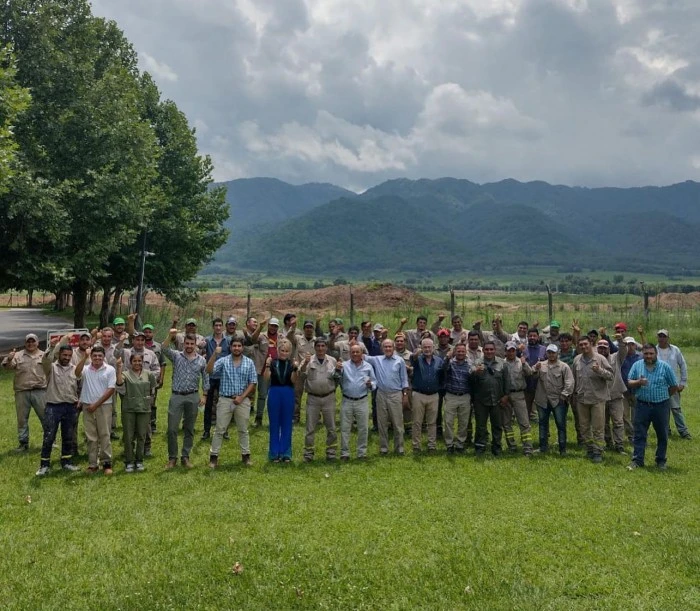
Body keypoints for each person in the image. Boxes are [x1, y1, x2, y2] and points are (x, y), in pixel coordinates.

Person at [206, 338, 258, 467]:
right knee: (219, 429)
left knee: (243, 429)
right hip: (225, 399)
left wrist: (242, 397)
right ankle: (214, 457)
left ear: (242, 347)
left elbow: (253, 382)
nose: (236, 348)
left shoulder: (249, 362)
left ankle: (246, 456)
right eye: (234, 346)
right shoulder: (223, 361)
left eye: (239, 346)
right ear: (230, 347)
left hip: (242, 400)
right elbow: (209, 370)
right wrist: (214, 354)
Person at [626, 344, 678, 471]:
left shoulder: (665, 367)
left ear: (656, 354)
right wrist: (638, 382)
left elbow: (673, 386)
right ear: (642, 354)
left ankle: (660, 460)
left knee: (662, 434)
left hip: (661, 406)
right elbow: (629, 382)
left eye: (651, 353)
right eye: (646, 354)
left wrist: (664, 396)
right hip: (642, 405)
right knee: (639, 434)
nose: (648, 356)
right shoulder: (637, 365)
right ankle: (637, 460)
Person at [162, 330, 207, 469]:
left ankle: (185, 456)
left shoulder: (201, 360)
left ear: (195, 345)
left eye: (191, 344)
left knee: (189, 428)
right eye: (186, 343)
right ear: (183, 344)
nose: (189, 346)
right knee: (172, 429)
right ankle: (172, 458)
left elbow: (206, 378)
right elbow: (163, 348)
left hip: (193, 396)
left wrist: (204, 395)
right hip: (177, 396)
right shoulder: (176, 356)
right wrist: (170, 335)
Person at [36, 336, 80, 475]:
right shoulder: (51, 368)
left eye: (69, 355)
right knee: (49, 436)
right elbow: (45, 360)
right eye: (64, 355)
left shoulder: (74, 369)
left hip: (70, 407)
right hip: (53, 407)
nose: (66, 357)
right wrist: (51, 347)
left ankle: (66, 462)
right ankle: (44, 465)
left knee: (68, 436)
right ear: (59, 355)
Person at [2, 333, 47, 451]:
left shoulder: (44, 355)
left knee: (46, 417)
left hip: (40, 391)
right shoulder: (17, 355)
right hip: (22, 392)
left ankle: (49, 441)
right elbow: (7, 367)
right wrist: (9, 358)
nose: (31, 344)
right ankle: (23, 443)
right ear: (25, 343)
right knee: (22, 419)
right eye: (28, 342)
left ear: (37, 343)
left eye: (33, 341)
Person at [75, 346, 116, 475]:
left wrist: (96, 405)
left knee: (104, 435)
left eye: (100, 356)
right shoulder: (86, 369)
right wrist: (84, 357)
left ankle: (106, 463)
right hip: (87, 406)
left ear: (104, 357)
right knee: (91, 436)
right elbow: (76, 373)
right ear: (91, 357)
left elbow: (110, 390)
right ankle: (93, 464)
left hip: (104, 406)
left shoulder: (110, 370)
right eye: (95, 356)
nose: (97, 358)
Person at [365, 339, 409, 456]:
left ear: (393, 348)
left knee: (398, 423)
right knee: (382, 422)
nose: (388, 349)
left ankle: (399, 448)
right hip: (381, 394)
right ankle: (384, 448)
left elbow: (404, 379)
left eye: (390, 346)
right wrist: (353, 344)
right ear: (382, 348)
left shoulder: (400, 361)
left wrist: (405, 395)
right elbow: (362, 355)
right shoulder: (377, 360)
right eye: (385, 347)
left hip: (395, 394)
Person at [572, 337, 613, 463]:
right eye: (581, 345)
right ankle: (589, 448)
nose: (583, 347)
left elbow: (611, 376)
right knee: (584, 427)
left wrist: (599, 370)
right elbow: (574, 378)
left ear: (591, 344)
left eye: (586, 344)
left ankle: (598, 451)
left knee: (598, 427)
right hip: (582, 398)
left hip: (597, 399)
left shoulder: (600, 359)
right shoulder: (577, 360)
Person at [300, 337, 340, 462]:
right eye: (318, 346)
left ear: (326, 347)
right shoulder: (308, 360)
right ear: (315, 347)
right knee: (310, 428)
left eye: (323, 346)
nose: (320, 348)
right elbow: (301, 374)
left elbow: (337, 378)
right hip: (313, 398)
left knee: (331, 427)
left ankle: (331, 452)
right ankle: (308, 453)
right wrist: (305, 363)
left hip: (329, 397)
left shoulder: (332, 361)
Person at [115, 353, 157, 472]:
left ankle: (139, 460)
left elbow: (152, 388)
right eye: (135, 361)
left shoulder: (148, 374)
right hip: (129, 409)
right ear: (130, 362)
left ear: (142, 362)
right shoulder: (125, 374)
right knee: (128, 436)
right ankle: (129, 461)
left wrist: (150, 402)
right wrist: (119, 368)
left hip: (144, 409)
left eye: (139, 361)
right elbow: (119, 383)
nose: (137, 363)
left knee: (141, 435)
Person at [533, 344, 574, 455]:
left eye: (553, 352)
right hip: (543, 400)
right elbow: (532, 376)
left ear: (557, 353)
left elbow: (569, 382)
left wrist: (564, 395)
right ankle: (542, 448)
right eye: (549, 352)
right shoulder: (540, 365)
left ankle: (562, 449)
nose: (551, 355)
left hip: (558, 400)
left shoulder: (564, 366)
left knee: (561, 425)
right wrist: (535, 369)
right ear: (546, 353)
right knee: (542, 424)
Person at [338, 344, 377, 460]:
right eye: (353, 352)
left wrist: (371, 385)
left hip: (362, 400)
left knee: (363, 428)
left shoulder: (368, 367)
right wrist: (337, 369)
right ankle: (344, 453)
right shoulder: (344, 366)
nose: (355, 354)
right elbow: (336, 378)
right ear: (350, 353)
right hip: (347, 400)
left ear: (362, 353)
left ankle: (362, 453)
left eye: (357, 352)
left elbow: (375, 382)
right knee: (345, 428)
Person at [471, 342, 508, 456]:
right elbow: (471, 381)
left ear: (495, 350)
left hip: (497, 400)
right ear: (483, 351)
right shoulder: (477, 363)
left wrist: (506, 396)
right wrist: (475, 373)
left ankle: (496, 448)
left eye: (491, 349)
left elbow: (507, 381)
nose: (489, 351)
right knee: (481, 426)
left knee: (497, 425)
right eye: (486, 349)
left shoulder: (502, 363)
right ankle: (480, 448)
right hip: (481, 401)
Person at [264, 339, 297, 463]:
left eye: (287, 351)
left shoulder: (292, 364)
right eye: (282, 350)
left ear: (290, 352)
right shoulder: (273, 362)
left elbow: (294, 381)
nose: (284, 353)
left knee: (287, 423)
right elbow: (266, 378)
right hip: (274, 392)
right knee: (274, 424)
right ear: (278, 351)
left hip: (288, 392)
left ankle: (286, 452)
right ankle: (274, 453)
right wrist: (267, 365)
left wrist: (295, 369)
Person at [655, 329, 690, 439]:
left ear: (668, 338)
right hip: (659, 385)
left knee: (675, 408)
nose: (662, 338)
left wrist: (683, 382)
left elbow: (683, 366)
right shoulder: (654, 351)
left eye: (664, 336)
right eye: (660, 336)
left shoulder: (675, 350)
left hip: (673, 384)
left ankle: (683, 431)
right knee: (662, 410)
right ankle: (666, 430)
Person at [410, 338, 443, 453]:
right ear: (421, 348)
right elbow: (412, 358)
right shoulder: (417, 359)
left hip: (434, 395)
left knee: (432, 422)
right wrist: (417, 353)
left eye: (429, 347)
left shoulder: (439, 360)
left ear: (433, 348)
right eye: (425, 347)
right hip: (419, 394)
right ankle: (416, 446)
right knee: (417, 422)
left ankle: (431, 445)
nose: (427, 349)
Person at [503, 341, 534, 455]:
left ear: (515, 351)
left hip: (519, 394)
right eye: (508, 350)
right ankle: (511, 446)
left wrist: (525, 363)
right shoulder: (502, 364)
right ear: (505, 352)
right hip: (506, 395)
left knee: (524, 422)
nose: (511, 353)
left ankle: (527, 448)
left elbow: (530, 373)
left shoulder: (521, 362)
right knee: (506, 423)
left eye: (513, 350)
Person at [201, 318, 230, 440]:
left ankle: (224, 430)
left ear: (222, 327)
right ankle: (206, 430)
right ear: (213, 327)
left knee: (224, 404)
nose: (218, 328)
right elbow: (202, 352)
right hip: (210, 376)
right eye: (216, 325)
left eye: (220, 325)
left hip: (223, 376)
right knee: (208, 404)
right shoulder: (207, 340)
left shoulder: (228, 341)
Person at [440, 343, 471, 454]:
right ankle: (449, 444)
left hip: (465, 396)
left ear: (466, 352)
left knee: (463, 422)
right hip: (451, 396)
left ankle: (460, 444)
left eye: (463, 351)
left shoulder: (469, 364)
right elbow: (442, 368)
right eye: (458, 351)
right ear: (455, 352)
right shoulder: (450, 363)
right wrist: (447, 357)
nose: (461, 353)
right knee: (448, 422)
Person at [598, 339, 627, 455]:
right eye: (600, 347)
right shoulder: (594, 360)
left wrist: (620, 340)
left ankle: (619, 445)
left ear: (609, 348)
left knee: (618, 422)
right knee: (603, 422)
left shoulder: (616, 358)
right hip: (600, 396)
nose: (603, 349)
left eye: (605, 347)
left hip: (615, 395)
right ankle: (608, 442)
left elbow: (624, 350)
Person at [290, 320, 316, 424]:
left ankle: (315, 418)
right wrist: (292, 328)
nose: (309, 329)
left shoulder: (316, 341)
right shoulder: (298, 338)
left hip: (312, 371)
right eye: (307, 327)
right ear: (304, 329)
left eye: (310, 327)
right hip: (299, 371)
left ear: (313, 329)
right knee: (297, 394)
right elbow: (289, 337)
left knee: (314, 394)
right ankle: (295, 417)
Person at [618, 336, 642, 443]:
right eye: (627, 344)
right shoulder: (620, 357)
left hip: (638, 390)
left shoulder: (640, 357)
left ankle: (637, 434)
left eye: (632, 344)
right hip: (624, 391)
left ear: (635, 345)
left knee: (637, 415)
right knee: (624, 415)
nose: (630, 347)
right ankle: (631, 435)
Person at [524, 328, 546, 422]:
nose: (532, 338)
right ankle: (526, 421)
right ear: (527, 337)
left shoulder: (544, 349)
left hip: (540, 382)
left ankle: (543, 422)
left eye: (534, 336)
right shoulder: (523, 349)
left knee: (541, 403)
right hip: (527, 381)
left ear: (538, 337)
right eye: (530, 336)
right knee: (527, 403)